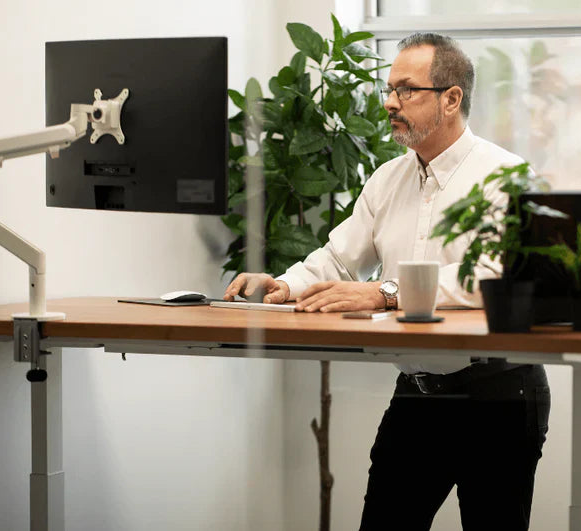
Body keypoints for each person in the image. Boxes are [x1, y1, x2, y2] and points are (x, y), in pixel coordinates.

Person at [224, 33, 550, 531]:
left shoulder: (505, 176)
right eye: (389, 89)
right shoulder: (386, 179)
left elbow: (492, 276)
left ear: (451, 99)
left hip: (499, 392)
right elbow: (339, 258)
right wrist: (284, 286)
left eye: (407, 90)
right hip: (418, 395)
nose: (390, 103)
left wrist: (386, 291)